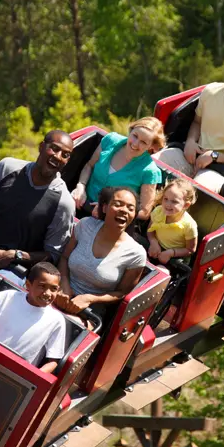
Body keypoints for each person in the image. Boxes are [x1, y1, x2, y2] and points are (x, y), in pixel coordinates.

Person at [155, 48, 224, 193]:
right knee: (152, 165)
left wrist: (215, 156)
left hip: (220, 169)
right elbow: (197, 122)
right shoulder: (211, 91)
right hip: (192, 155)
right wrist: (190, 141)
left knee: (191, 193)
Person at [0, 131, 76, 271]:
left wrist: (14, 256)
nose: (58, 157)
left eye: (65, 155)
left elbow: (52, 255)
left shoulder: (64, 203)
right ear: (41, 147)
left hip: (14, 270)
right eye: (54, 148)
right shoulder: (7, 167)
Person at [58, 187, 147, 322]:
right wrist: (64, 283)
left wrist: (90, 298)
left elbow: (121, 293)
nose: (124, 210)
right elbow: (64, 257)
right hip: (60, 292)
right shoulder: (85, 225)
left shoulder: (136, 254)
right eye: (118, 204)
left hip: (90, 311)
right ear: (104, 208)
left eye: (130, 208)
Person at [0, 262, 66, 374]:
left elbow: (54, 360)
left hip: (15, 375)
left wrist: (35, 376)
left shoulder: (56, 320)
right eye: (42, 286)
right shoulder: (9, 296)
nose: (47, 293)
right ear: (28, 285)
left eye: (53, 289)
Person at [71, 117, 165, 221]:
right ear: (131, 130)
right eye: (135, 136)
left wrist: (112, 209)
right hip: (81, 203)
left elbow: (144, 212)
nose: (135, 144)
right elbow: (89, 165)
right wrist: (81, 186)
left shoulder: (150, 171)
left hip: (110, 221)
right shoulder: (110, 140)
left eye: (143, 142)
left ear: (151, 146)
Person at [147, 179, 199, 266]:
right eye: (165, 199)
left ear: (186, 205)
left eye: (174, 201)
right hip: (156, 247)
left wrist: (171, 253)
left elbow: (190, 250)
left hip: (175, 259)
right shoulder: (158, 211)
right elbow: (150, 230)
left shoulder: (189, 225)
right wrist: (153, 242)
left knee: (162, 271)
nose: (167, 204)